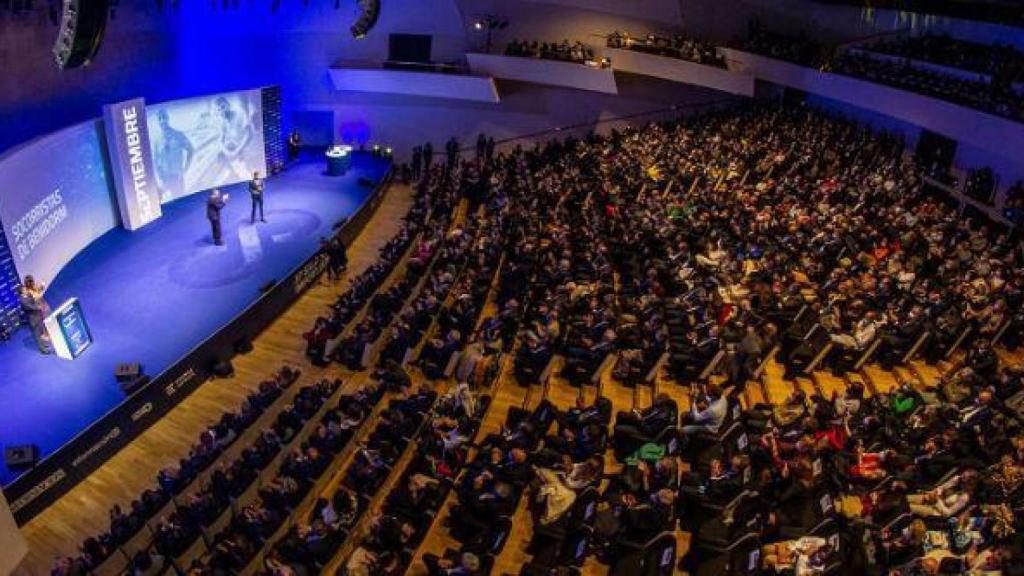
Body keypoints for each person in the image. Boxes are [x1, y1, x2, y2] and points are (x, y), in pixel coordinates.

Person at [19, 275, 51, 354]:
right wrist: (39, 307)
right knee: (37, 334)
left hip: (38, 315)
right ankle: (43, 350)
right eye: (24, 290)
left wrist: (41, 287)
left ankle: (43, 345)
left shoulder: (28, 295)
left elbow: (37, 292)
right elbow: (31, 306)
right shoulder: (23, 300)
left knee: (40, 331)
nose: (26, 290)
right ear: (22, 292)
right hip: (33, 319)